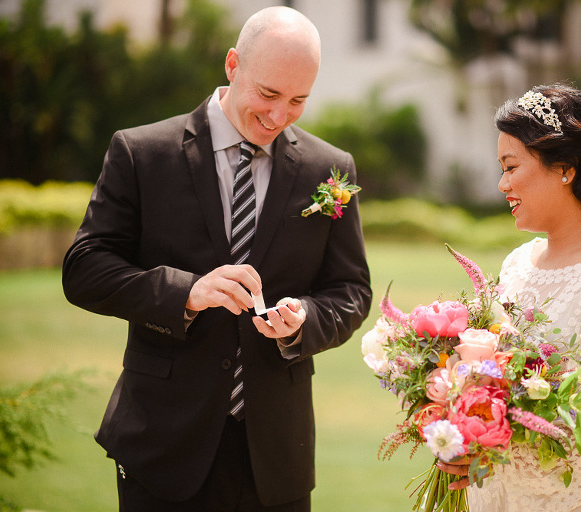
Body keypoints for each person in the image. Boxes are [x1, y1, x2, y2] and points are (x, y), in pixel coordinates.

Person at [62, 7, 372, 512]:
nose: (279, 116)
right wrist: (185, 291)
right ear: (233, 65)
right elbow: (84, 267)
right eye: (269, 94)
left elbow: (352, 290)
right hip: (162, 445)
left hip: (277, 455)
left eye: (298, 101)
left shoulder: (330, 168)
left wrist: (304, 321)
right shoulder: (142, 153)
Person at [439, 84, 581, 511]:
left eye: (511, 167)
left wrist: (506, 450)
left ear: (564, 168)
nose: (501, 184)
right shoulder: (517, 263)